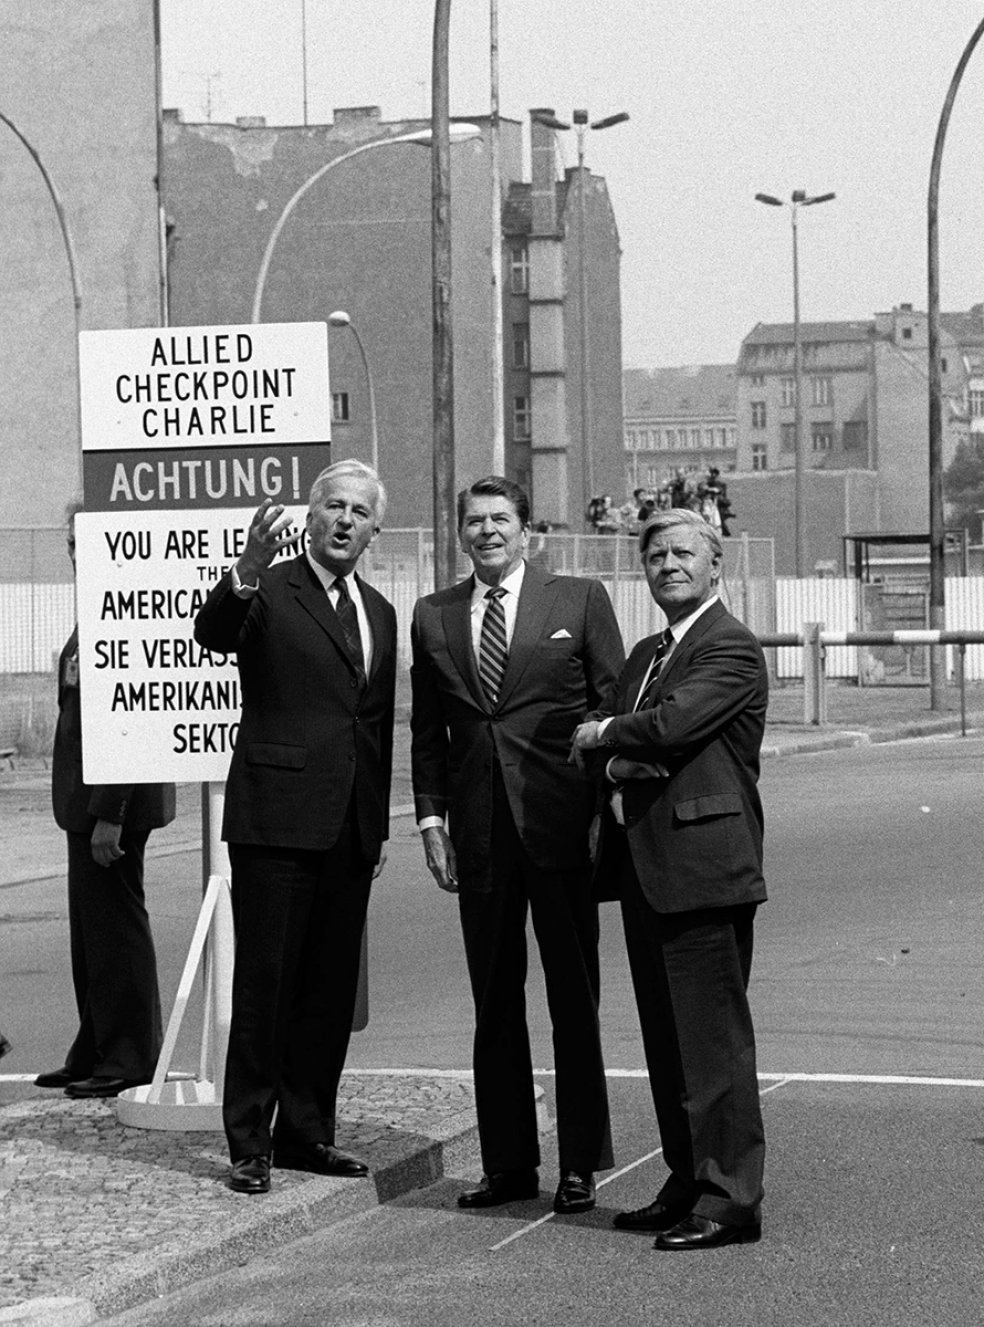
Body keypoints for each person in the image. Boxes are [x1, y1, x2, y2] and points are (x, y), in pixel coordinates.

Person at [410, 476, 625, 1215]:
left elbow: (614, 707)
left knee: (573, 997)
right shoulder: (433, 616)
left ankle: (579, 1163)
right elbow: (428, 730)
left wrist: (602, 804)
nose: (488, 531)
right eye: (475, 521)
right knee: (494, 1001)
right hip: (479, 836)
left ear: (527, 530)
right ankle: (507, 1164)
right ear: (461, 533)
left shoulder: (579, 601)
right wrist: (430, 820)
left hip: (561, 828)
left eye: (501, 519)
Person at [194, 459, 397, 1196]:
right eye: (333, 506)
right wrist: (244, 570)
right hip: (276, 821)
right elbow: (213, 635)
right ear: (310, 517)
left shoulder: (379, 610)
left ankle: (308, 1131)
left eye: (359, 511)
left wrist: (373, 825)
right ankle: (250, 1140)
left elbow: (373, 726)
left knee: (327, 989)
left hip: (349, 827)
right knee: (266, 985)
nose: (344, 520)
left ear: (375, 528)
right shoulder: (271, 589)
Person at [572, 507, 768, 1251]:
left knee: (713, 1046)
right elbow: (627, 745)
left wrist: (607, 737)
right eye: (655, 555)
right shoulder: (645, 653)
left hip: (705, 870)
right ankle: (687, 1177)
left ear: (715, 564)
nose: (668, 565)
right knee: (668, 1041)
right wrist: (618, 752)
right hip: (645, 871)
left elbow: (672, 727)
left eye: (684, 552)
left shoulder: (730, 647)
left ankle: (730, 1198)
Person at [35, 502, 174, 1100]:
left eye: (86, 540)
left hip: (111, 807)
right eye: (70, 541)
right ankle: (93, 1047)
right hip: (83, 804)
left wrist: (110, 813)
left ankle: (129, 1056)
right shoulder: (92, 607)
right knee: (91, 934)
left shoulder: (125, 614)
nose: (75, 551)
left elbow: (132, 721)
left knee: (117, 929)